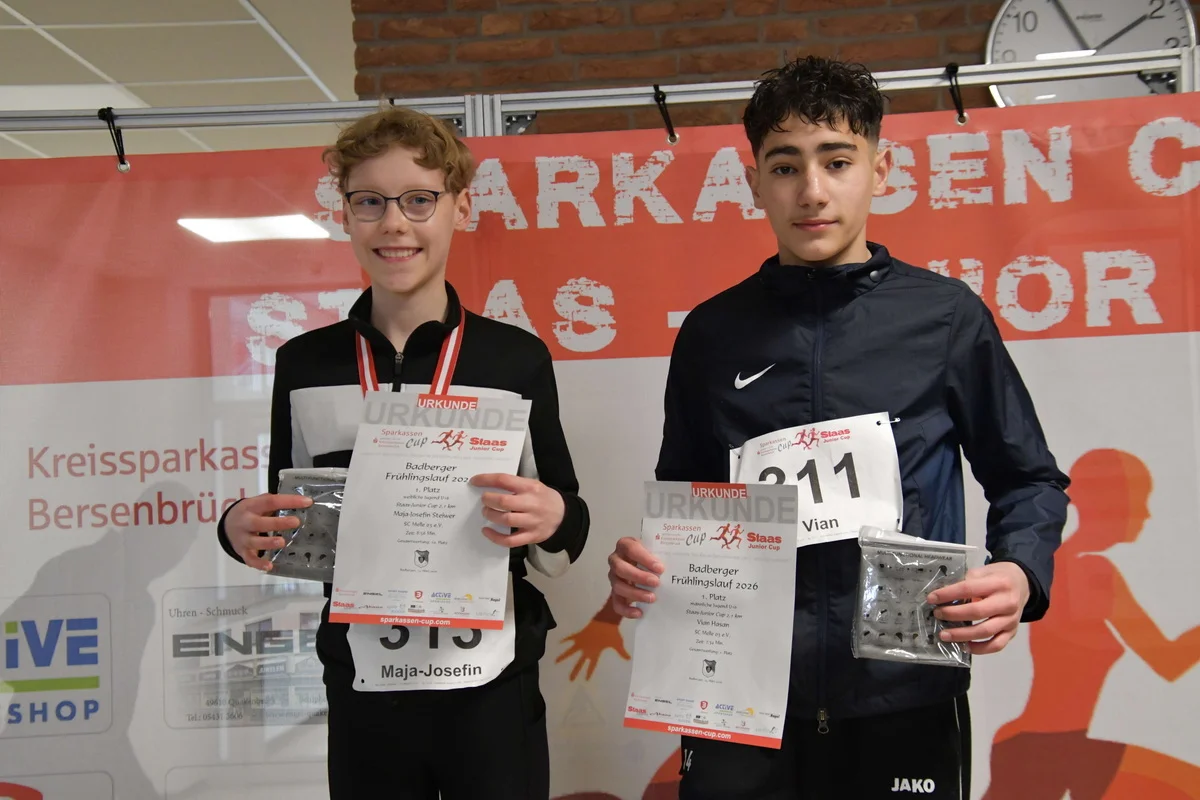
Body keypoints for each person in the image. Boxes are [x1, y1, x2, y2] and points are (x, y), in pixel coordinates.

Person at [605, 55, 1070, 800]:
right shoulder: (712, 334)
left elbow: (1029, 478)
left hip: (902, 694)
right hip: (740, 698)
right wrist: (647, 560)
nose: (812, 191)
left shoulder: (946, 318)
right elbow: (686, 500)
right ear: (754, 181)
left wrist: (1021, 571)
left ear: (880, 172)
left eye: (837, 161)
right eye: (785, 166)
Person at [214, 106, 590, 800]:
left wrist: (554, 516)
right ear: (345, 214)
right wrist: (237, 527)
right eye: (371, 202)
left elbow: (566, 534)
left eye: (419, 200)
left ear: (460, 208)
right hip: (365, 686)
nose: (394, 223)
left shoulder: (515, 358)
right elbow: (290, 524)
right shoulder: (305, 362)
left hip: (491, 684)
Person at [984, 448, 1200, 800]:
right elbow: (1167, 659)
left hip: (1054, 744)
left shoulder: (1073, 566)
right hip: (1046, 748)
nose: (1145, 513)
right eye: (1140, 499)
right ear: (1112, 502)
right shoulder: (1091, 574)